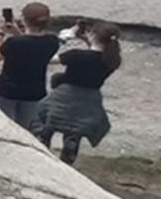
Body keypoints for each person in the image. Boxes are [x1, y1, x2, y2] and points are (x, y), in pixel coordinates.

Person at [36, 20, 121, 165]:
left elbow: (48, 59)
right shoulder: (112, 60)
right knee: (74, 130)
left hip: (65, 94)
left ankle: (42, 148)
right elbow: (95, 54)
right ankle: (68, 156)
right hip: (90, 97)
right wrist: (86, 39)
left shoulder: (76, 55)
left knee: (45, 119)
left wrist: (64, 38)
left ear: (93, 35)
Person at [0, 1, 59, 129]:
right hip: (34, 92)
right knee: (24, 129)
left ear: (24, 20)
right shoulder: (52, 42)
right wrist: (17, 32)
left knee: (2, 126)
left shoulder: (14, 43)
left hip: (6, 91)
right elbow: (31, 46)